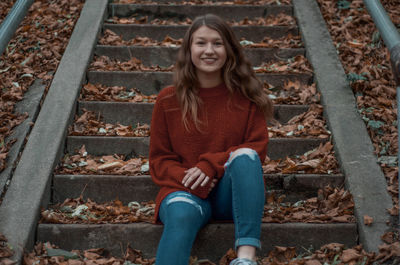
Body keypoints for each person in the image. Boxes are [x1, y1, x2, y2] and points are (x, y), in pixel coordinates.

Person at [149, 13, 273, 265]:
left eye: (217, 43)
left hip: (230, 194)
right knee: (181, 213)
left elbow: (256, 150)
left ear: (229, 49)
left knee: (246, 156)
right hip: (184, 190)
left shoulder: (247, 98)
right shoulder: (168, 100)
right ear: (189, 49)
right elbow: (159, 160)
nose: (209, 50)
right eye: (201, 43)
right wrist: (193, 180)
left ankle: (246, 259)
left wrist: (209, 166)